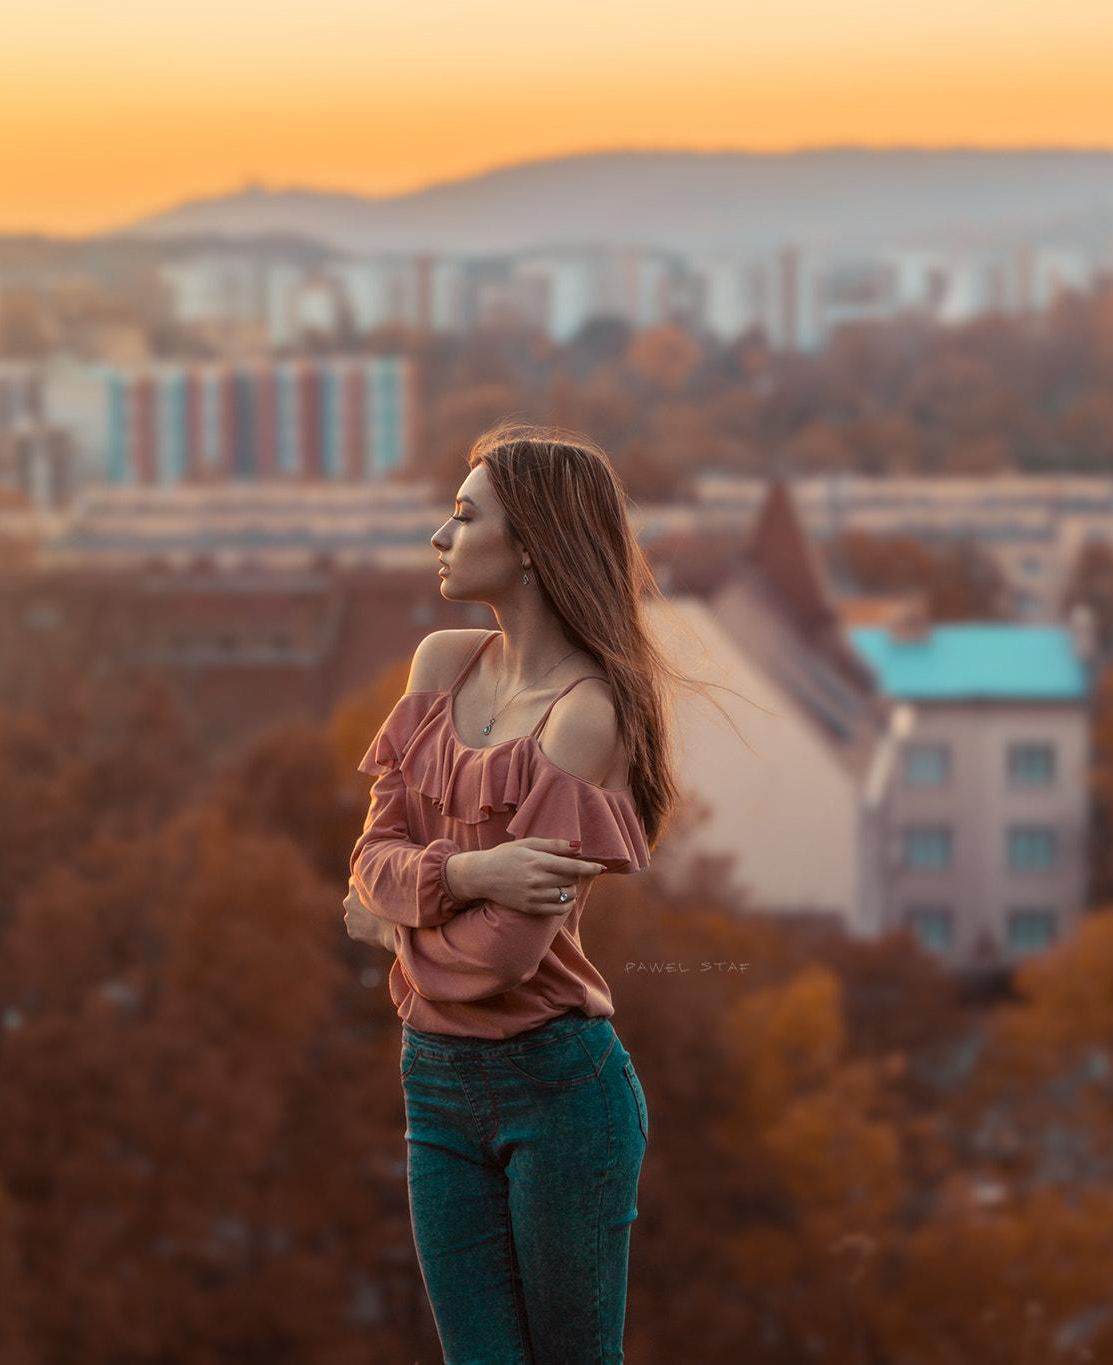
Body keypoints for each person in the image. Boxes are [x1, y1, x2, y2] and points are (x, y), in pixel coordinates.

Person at [343, 422, 687, 1363]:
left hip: (561, 1087)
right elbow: (370, 853)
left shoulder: (587, 716)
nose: (439, 538)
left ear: (530, 545)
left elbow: (502, 957)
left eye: (462, 516)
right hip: (434, 1082)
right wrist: (468, 872)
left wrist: (389, 923)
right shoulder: (440, 665)